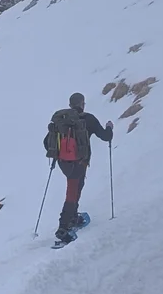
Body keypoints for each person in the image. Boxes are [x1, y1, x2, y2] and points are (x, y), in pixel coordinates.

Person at [42, 92, 113, 245]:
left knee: (76, 187)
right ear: (82, 104)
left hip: (63, 163)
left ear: (70, 105)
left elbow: (46, 142)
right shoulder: (88, 119)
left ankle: (73, 217)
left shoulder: (61, 120)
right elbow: (106, 136)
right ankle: (63, 228)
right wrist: (109, 128)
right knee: (72, 192)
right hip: (79, 162)